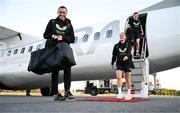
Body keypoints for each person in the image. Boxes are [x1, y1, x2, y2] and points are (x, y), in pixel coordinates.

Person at [43, 6, 75, 101]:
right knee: (55, 71)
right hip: (54, 49)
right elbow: (45, 35)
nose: (62, 14)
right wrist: (52, 36)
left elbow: (72, 39)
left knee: (67, 70)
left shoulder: (69, 24)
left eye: (63, 12)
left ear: (66, 13)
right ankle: (55, 93)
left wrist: (63, 38)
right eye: (60, 12)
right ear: (57, 12)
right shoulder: (52, 22)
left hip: (65, 50)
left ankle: (67, 91)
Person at [111, 32, 133, 100]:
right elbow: (114, 55)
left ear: (125, 37)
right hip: (119, 63)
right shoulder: (116, 46)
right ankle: (120, 93)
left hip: (127, 62)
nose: (121, 36)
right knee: (118, 78)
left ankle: (128, 93)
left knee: (127, 78)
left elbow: (129, 51)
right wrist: (112, 63)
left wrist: (126, 56)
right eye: (120, 35)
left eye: (123, 35)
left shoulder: (128, 44)